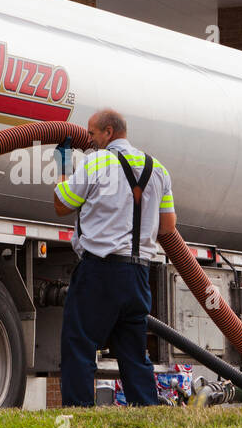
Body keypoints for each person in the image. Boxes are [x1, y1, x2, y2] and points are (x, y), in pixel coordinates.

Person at [53, 108, 176, 406]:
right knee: (133, 352)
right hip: (138, 275)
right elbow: (169, 227)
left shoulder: (96, 162)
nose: (91, 140)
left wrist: (64, 164)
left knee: (79, 344)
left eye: (93, 134)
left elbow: (61, 204)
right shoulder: (157, 168)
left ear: (109, 132)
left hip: (100, 271)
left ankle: (79, 414)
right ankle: (146, 412)